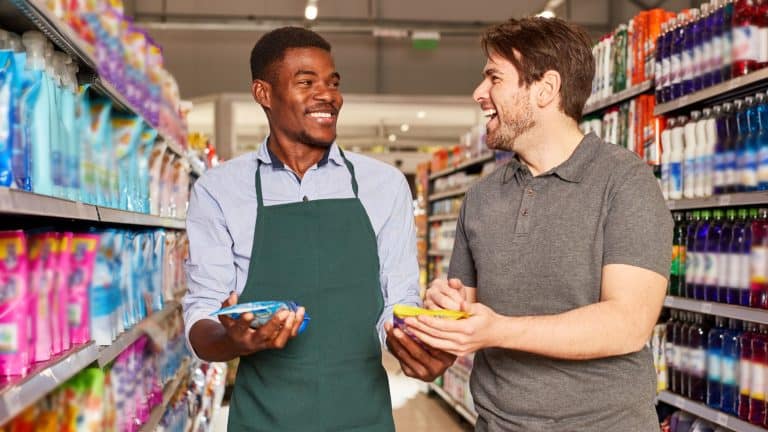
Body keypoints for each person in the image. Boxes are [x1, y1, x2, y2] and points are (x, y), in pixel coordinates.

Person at [404, 17, 673, 430]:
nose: (478, 93)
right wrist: (443, 312)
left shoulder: (625, 181)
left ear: (546, 89)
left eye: (494, 77)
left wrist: (498, 330)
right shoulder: (480, 198)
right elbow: (466, 314)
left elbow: (629, 324)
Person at [182, 27, 453, 431]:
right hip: (263, 420)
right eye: (306, 82)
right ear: (263, 93)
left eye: (333, 82)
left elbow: (397, 303)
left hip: (362, 417)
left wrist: (412, 344)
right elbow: (201, 316)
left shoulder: (384, 185)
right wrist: (233, 341)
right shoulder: (219, 191)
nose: (329, 95)